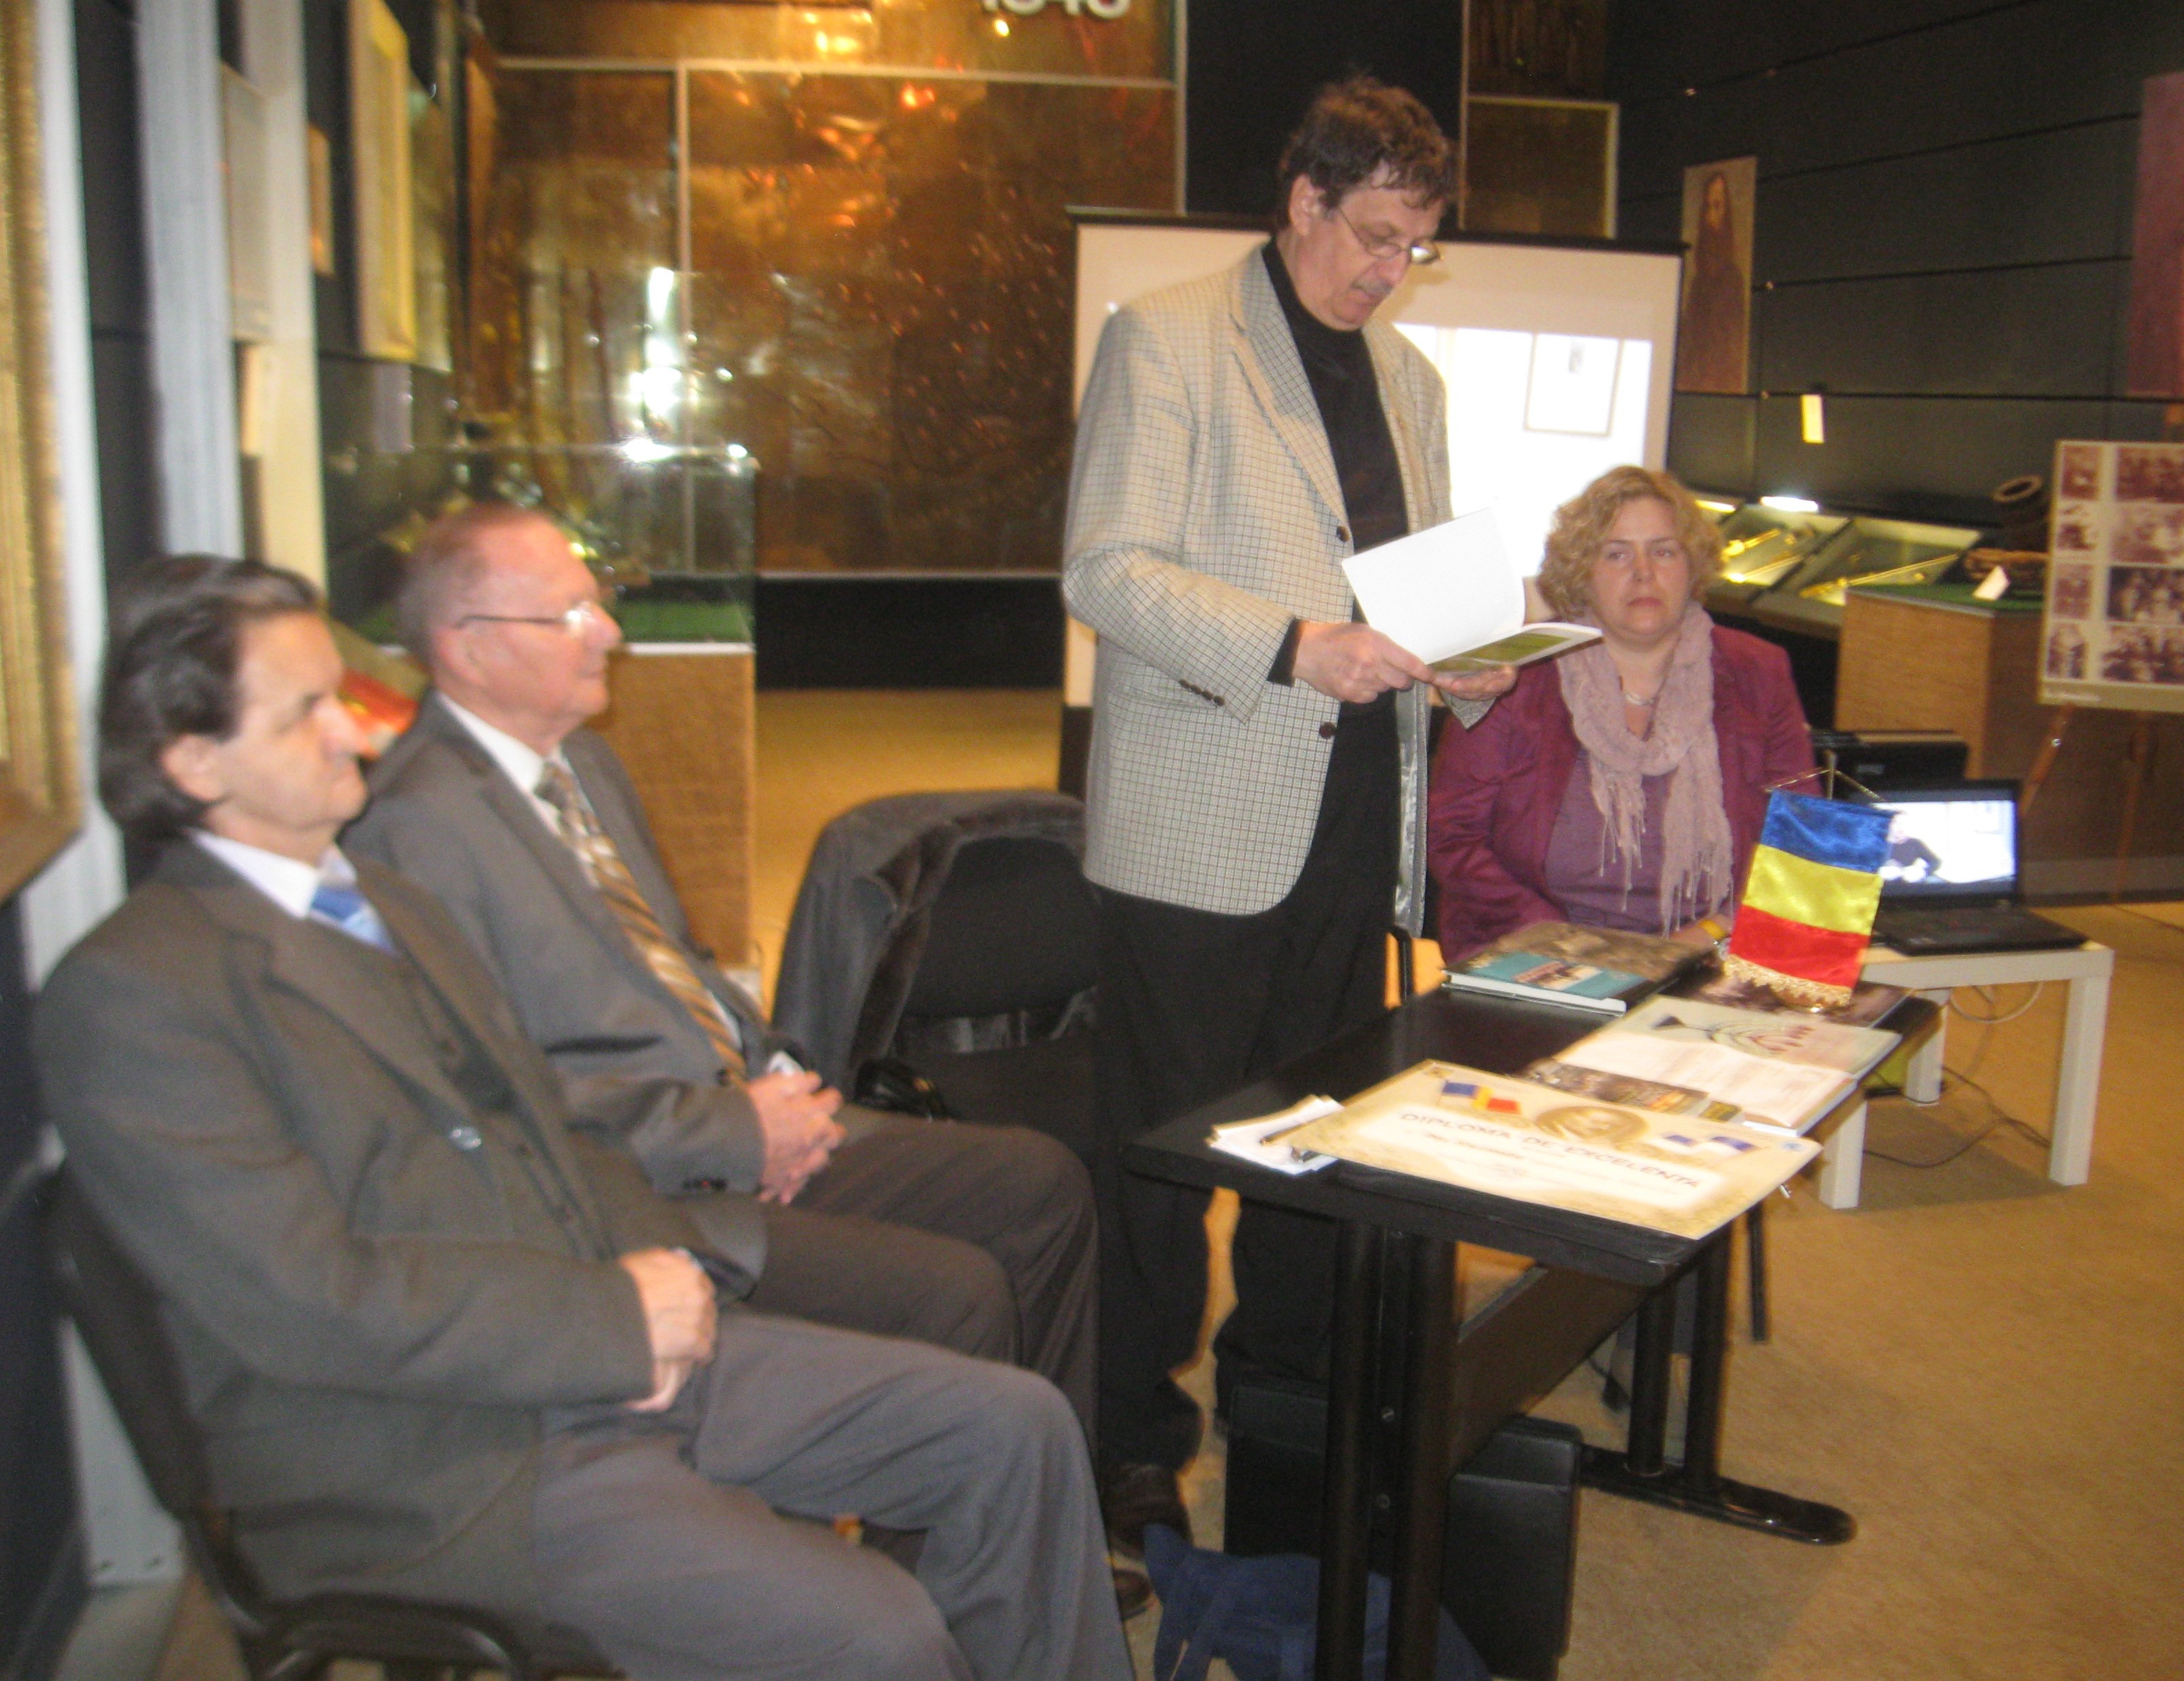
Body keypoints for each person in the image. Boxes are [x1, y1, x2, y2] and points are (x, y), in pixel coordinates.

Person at [37, 556, 1130, 1681]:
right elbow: (309, 1298)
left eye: (345, 695)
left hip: (588, 1358)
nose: (354, 731)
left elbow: (547, 1138)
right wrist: (613, 1321)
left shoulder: (383, 903)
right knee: (876, 1633)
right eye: (304, 711)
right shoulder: (136, 992)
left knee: (1013, 1426)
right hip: (431, 1459)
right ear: (192, 761)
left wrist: (667, 1275)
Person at [346, 505, 1102, 1442]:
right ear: (467, 647)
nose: (609, 633)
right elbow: (494, 1097)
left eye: (599, 601)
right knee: (957, 1292)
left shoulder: (581, 761)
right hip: (642, 1189)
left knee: (1041, 1183)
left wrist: (777, 1076)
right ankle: (967, 1511)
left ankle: (1059, 1480)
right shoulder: (415, 828)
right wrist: (735, 1135)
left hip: (736, 1114)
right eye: (569, 615)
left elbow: (677, 963)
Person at [1060, 75, 1515, 1529]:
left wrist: (1469, 658)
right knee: (1160, 1156)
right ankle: (1127, 1436)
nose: (1391, 272)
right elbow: (1106, 568)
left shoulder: (1412, 381)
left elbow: (1416, 585)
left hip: (1358, 817)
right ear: (1302, 200)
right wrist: (1293, 645)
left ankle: (1285, 1413)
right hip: (1202, 819)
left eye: (1415, 248)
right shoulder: (1170, 338)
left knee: (1318, 1137)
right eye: (1374, 236)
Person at [1428, 466, 1813, 960]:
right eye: (1616, 554)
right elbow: (1452, 836)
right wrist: (1569, 945)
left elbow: (1804, 835)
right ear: (1581, 573)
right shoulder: (1514, 673)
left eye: (1664, 551)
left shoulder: (1757, 671)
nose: (1644, 572)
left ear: (1693, 565)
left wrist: (1712, 934)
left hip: (1712, 954)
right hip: (1537, 955)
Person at [1676, 168, 1749, 393]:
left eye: (1718, 206)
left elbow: (1733, 346)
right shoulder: (1698, 282)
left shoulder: (1733, 279)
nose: (1712, 216)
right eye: (1708, 207)